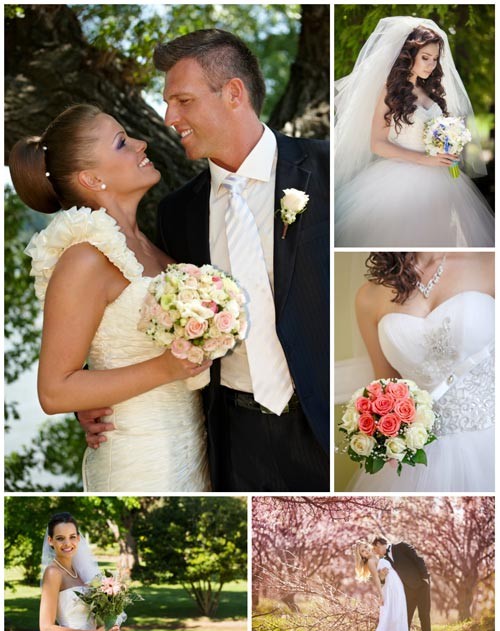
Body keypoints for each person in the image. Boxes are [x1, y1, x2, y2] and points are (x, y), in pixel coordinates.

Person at [80, 29, 330, 492]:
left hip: (331, 428)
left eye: (183, 100)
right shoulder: (177, 213)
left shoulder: (330, 170)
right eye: (168, 103)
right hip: (236, 443)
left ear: (233, 93)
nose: (169, 117)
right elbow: (151, 315)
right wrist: (91, 398)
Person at [9, 105, 211, 493]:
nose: (141, 143)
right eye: (122, 142)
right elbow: (54, 392)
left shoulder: (152, 245)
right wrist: (168, 368)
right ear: (92, 178)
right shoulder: (85, 257)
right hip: (137, 461)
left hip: (191, 450)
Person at [335, 17, 495, 246]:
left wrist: (449, 146)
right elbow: (377, 143)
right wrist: (423, 159)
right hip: (402, 178)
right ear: (409, 55)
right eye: (425, 58)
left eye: (435, 59)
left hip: (443, 180)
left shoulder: (431, 90)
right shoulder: (391, 91)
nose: (431, 65)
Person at [349, 251, 494, 494]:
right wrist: (384, 433)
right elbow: (386, 387)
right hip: (422, 455)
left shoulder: (490, 264)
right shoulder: (369, 297)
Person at [39, 510, 121, 631]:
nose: (67, 543)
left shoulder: (80, 572)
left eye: (72, 537)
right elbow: (46, 629)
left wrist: (107, 626)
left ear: (78, 538)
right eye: (60, 538)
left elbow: (88, 618)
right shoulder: (53, 573)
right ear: (50, 541)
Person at [371, 534, 432, 631]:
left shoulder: (401, 546)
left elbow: (418, 559)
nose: (375, 552)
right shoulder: (384, 560)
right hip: (406, 593)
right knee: (405, 619)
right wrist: (382, 578)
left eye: (375, 549)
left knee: (424, 616)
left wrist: (425, 578)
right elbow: (385, 580)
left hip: (421, 587)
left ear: (379, 544)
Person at [354, 541, 410, 631]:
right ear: (362, 556)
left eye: (365, 547)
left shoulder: (377, 556)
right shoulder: (370, 561)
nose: (366, 551)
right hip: (389, 588)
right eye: (363, 552)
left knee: (399, 612)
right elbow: (376, 579)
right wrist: (381, 595)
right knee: (390, 614)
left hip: (396, 584)